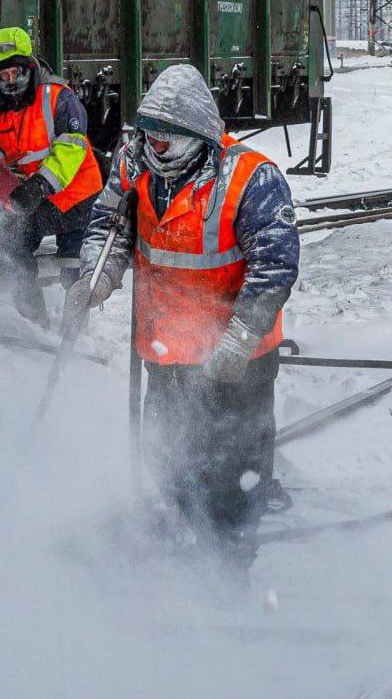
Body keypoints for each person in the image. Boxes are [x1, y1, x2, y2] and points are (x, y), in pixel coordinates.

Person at [64, 64, 300, 564]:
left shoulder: (251, 179)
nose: (153, 149)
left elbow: (275, 266)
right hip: (167, 344)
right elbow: (111, 224)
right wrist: (96, 279)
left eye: (165, 142)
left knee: (235, 465)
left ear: (194, 136)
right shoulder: (137, 164)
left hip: (237, 355)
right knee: (168, 451)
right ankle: (180, 527)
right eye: (147, 137)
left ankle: (231, 559)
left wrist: (236, 342)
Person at [0, 27, 104, 325]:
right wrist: (2, 187)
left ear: (29, 68)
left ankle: (75, 335)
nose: (9, 82)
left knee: (74, 268)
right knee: (11, 252)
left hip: (75, 195)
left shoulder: (59, 98)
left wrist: (41, 184)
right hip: (30, 195)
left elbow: (71, 148)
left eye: (15, 73)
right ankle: (32, 325)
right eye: (2, 75)